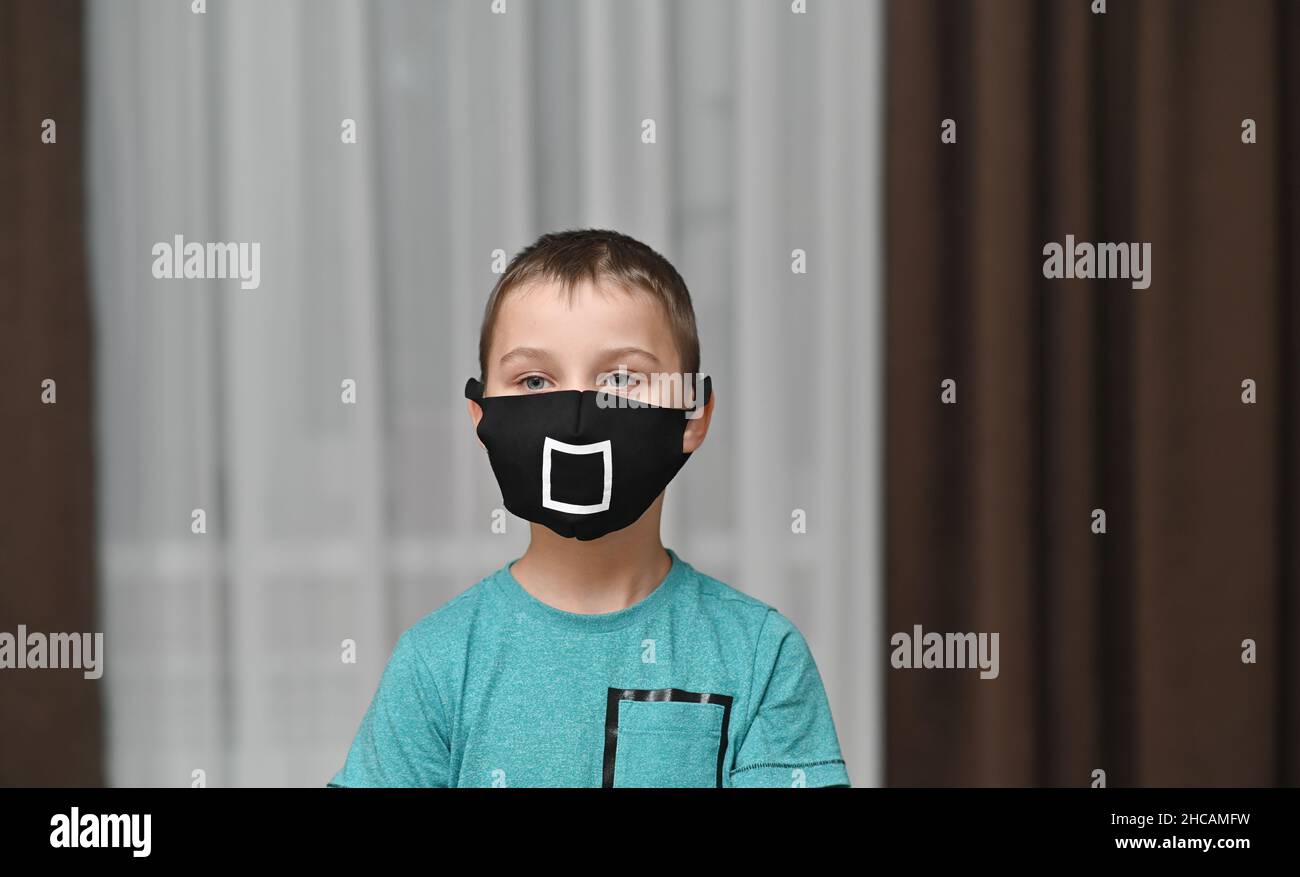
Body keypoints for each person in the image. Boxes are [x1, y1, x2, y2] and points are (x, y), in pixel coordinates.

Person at [328, 228, 850, 787]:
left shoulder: (760, 657)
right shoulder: (437, 662)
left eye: (623, 379)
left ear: (692, 414)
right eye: (533, 379)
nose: (579, 414)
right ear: (483, 418)